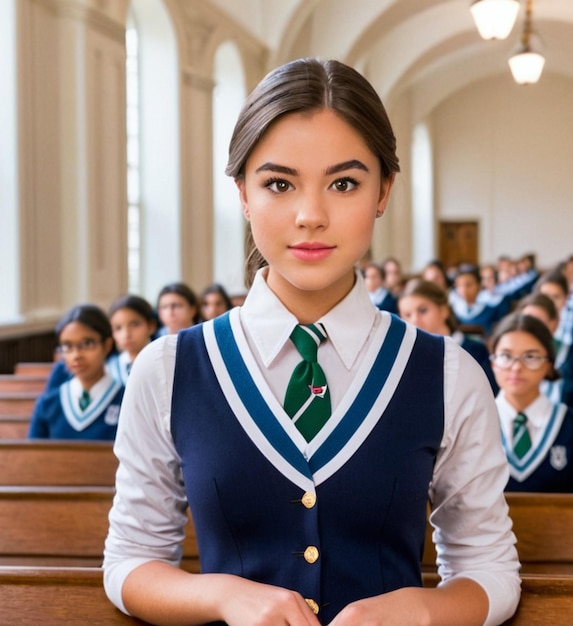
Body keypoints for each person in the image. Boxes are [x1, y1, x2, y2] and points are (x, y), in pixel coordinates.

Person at [104, 57, 520, 626]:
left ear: (384, 190)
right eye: (278, 183)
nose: (310, 215)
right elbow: (130, 560)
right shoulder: (169, 369)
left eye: (344, 183)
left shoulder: (448, 373)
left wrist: (420, 608)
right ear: (243, 194)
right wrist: (226, 596)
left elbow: (490, 569)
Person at [490, 312, 573, 493]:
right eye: (506, 356)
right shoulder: (471, 423)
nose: (516, 367)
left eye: (531, 357)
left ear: (549, 365)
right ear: (493, 363)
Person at [29, 304, 124, 440]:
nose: (76, 355)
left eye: (87, 344)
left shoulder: (127, 400)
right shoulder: (47, 404)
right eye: (67, 346)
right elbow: (33, 457)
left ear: (107, 345)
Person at [398, 280, 498, 394]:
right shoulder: (406, 357)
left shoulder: (476, 350)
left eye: (422, 310)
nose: (415, 320)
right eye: (407, 315)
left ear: (444, 310)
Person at [107, 294, 158, 384]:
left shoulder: (163, 362)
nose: (126, 334)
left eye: (134, 324)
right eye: (118, 328)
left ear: (151, 326)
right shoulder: (110, 368)